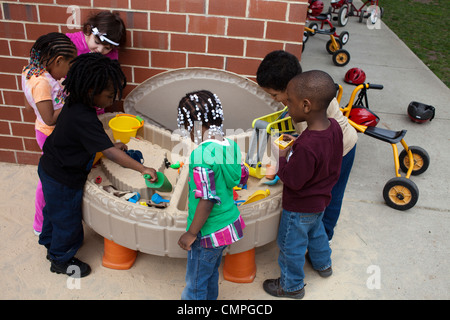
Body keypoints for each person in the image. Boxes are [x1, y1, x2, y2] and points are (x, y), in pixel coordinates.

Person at [38, 53, 158, 277]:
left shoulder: (74, 104)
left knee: (53, 211)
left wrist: (110, 143)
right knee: (68, 219)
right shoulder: (84, 117)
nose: (112, 100)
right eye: (109, 95)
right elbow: (110, 153)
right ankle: (60, 259)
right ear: (91, 92)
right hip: (64, 177)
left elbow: (92, 138)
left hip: (49, 166)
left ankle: (48, 241)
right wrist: (142, 168)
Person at [256, 50, 358, 242]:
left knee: (331, 195)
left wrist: (283, 158)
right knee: (328, 194)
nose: (273, 99)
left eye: (274, 95)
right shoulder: (311, 88)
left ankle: (324, 236)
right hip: (339, 142)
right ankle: (320, 238)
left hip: (340, 150)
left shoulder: (307, 113)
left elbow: (309, 147)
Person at [263, 70, 343, 299]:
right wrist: (297, 143)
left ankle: (292, 286)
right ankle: (323, 265)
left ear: (306, 106)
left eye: (290, 103)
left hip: (299, 208)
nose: (287, 108)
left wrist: (280, 157)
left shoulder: (307, 146)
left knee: (291, 246)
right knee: (316, 233)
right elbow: (324, 152)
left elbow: (294, 181)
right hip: (320, 202)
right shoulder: (334, 127)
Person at [176, 90, 249, 300]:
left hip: (207, 232)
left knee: (195, 284)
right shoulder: (231, 145)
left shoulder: (200, 155)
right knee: (209, 276)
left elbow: (207, 199)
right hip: (227, 225)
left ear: (193, 127)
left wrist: (191, 233)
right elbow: (241, 176)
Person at [21, 32, 78, 236]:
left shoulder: (31, 71)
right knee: (49, 181)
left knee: (50, 178)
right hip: (49, 135)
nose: (68, 71)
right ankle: (40, 225)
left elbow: (28, 106)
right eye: (69, 65)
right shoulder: (42, 83)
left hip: (46, 131)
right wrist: (72, 101)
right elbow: (50, 119)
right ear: (58, 60)